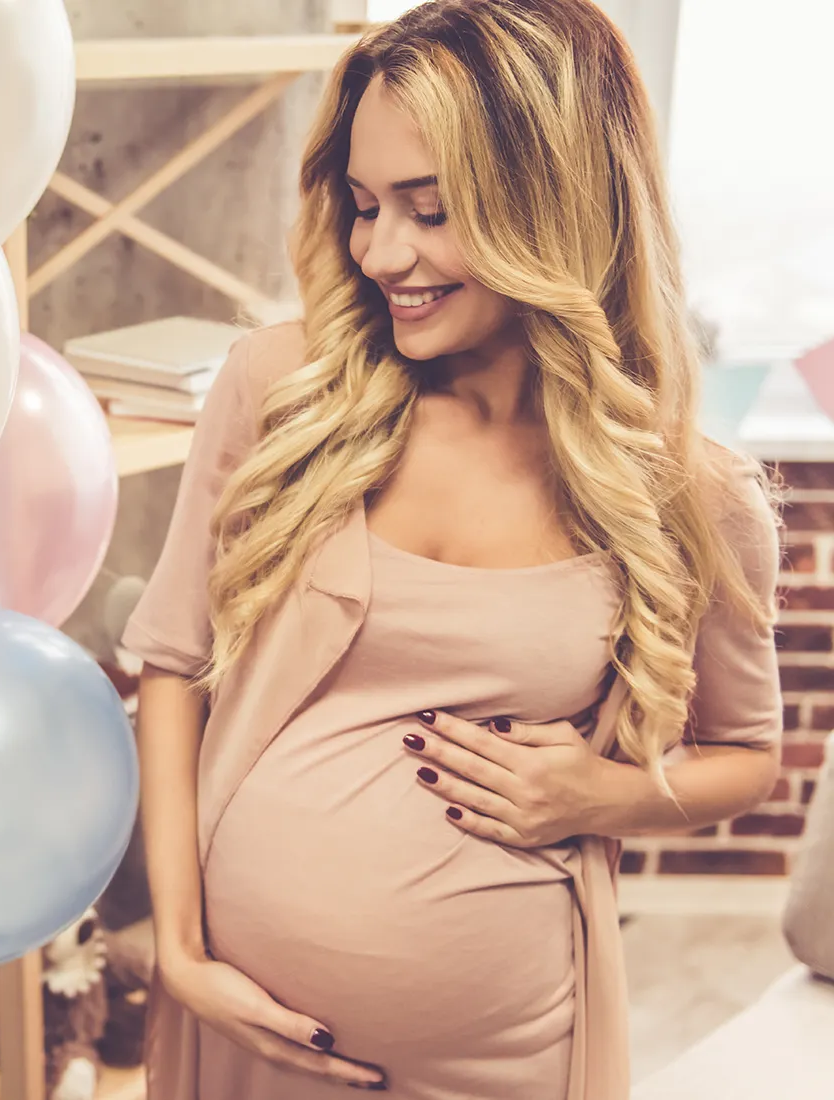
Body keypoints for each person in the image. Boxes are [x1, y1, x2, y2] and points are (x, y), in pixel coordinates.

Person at [120, 2, 784, 1098]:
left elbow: (745, 752)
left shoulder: (688, 492)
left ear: (554, 210)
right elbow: (174, 661)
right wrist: (182, 951)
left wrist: (598, 793)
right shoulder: (281, 391)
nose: (383, 253)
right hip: (246, 1029)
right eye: (365, 204)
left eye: (430, 211)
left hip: (503, 1059)